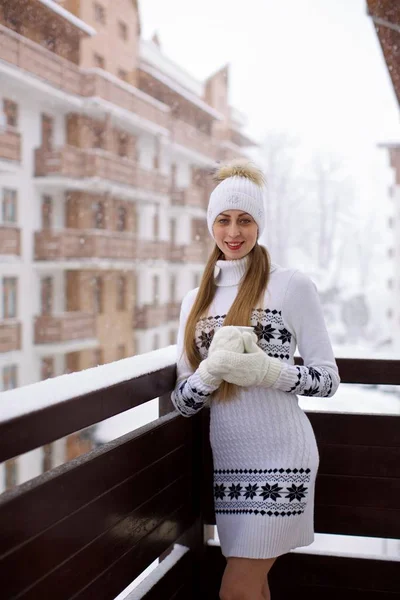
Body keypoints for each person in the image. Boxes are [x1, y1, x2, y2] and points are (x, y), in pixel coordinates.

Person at [171, 160, 340, 600]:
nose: (233, 231)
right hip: (230, 463)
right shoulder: (196, 300)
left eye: (244, 220)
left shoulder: (291, 286)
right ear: (211, 223)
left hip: (284, 456)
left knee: (236, 588)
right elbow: (185, 401)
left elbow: (327, 380)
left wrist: (267, 371)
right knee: (253, 586)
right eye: (224, 220)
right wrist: (210, 373)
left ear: (259, 224)